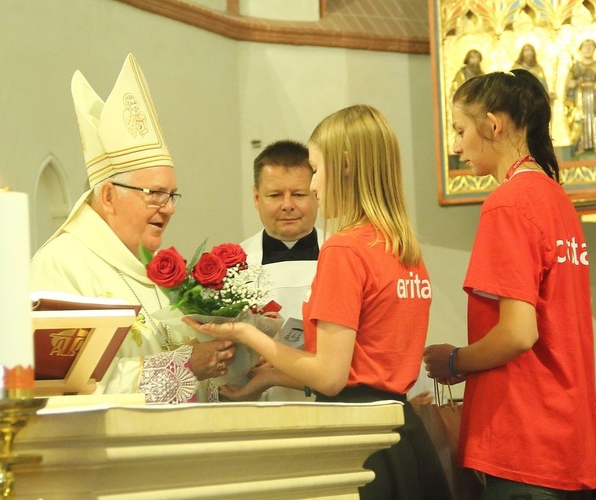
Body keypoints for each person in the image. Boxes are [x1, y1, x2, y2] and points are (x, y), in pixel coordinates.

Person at [185, 105, 452, 499]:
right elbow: (369, 365)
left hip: (356, 435)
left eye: (316, 169)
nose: (312, 187)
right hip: (400, 430)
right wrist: (271, 375)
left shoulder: (344, 248)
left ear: (344, 169)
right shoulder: (401, 246)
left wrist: (244, 332)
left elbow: (332, 377)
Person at [424, 69, 596, 497]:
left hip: (523, 432)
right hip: (565, 429)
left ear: (494, 124)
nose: (456, 146)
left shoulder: (508, 201)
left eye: (460, 130)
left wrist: (454, 362)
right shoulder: (555, 196)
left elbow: (519, 332)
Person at [31, 53, 235, 404]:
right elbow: (63, 384)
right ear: (108, 195)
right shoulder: (60, 266)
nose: (168, 208)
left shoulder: (158, 272)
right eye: (155, 194)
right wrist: (183, 366)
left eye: (172, 195)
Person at [240, 139, 322, 401]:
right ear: (256, 197)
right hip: (258, 407)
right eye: (275, 195)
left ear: (316, 193)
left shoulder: (345, 254)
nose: (288, 205)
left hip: (330, 402)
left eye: (298, 194)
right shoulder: (234, 263)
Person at [564, 39, 596, 156]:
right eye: (585, 46)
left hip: (595, 101)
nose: (588, 49)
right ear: (580, 50)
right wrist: (571, 85)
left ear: (594, 49)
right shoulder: (575, 67)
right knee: (580, 120)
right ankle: (579, 146)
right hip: (580, 100)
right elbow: (568, 88)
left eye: (591, 46)